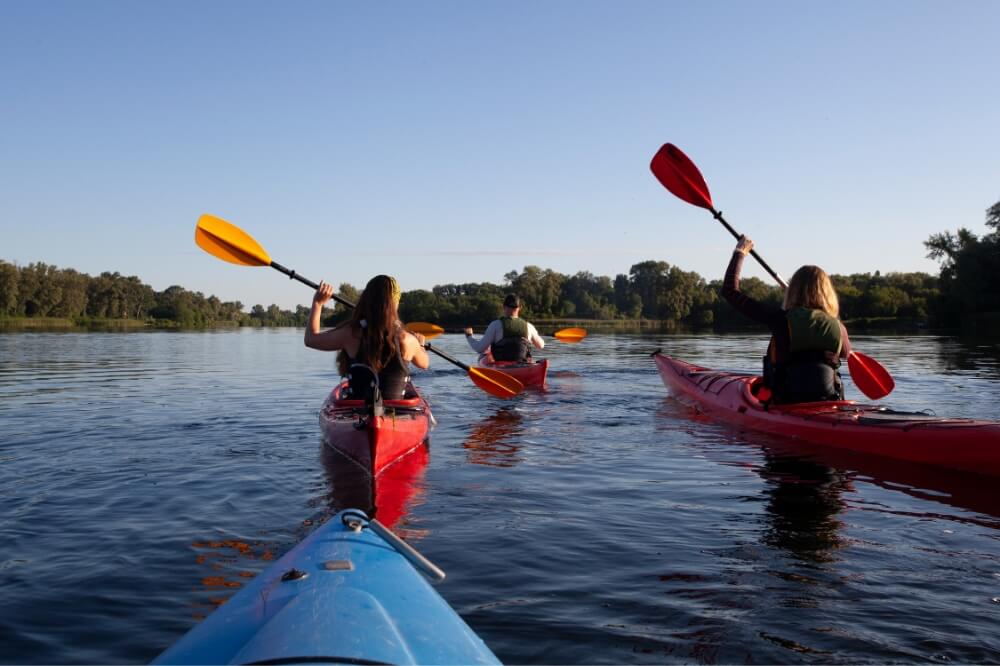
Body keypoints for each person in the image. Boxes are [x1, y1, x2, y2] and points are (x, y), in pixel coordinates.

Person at [721, 236, 852, 404]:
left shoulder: (780, 320)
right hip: (829, 403)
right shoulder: (839, 328)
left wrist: (739, 253)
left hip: (786, 403)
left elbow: (730, 291)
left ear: (793, 291)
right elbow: (846, 354)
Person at [305, 274, 429, 401]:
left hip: (358, 411)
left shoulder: (350, 333)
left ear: (366, 299)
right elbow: (424, 364)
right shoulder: (408, 340)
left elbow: (310, 339)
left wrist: (318, 303)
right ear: (396, 303)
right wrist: (420, 345)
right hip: (397, 412)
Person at [463, 294, 545, 364]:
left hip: (502, 368)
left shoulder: (495, 325)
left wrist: (469, 336)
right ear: (520, 307)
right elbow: (541, 346)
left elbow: (479, 349)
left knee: (483, 355)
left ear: (504, 306)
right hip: (522, 366)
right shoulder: (528, 326)